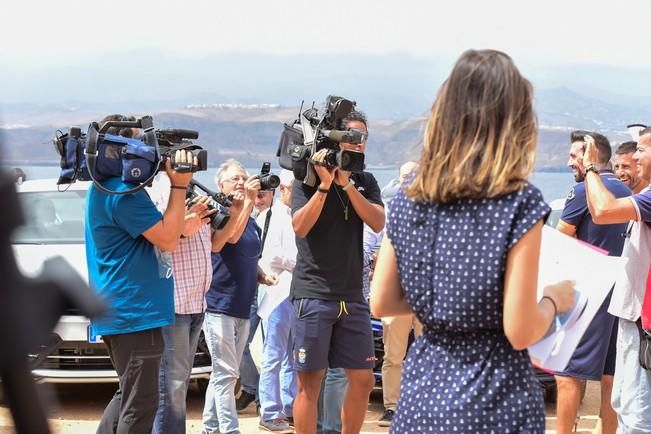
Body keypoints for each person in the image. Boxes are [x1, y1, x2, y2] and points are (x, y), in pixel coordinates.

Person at [370, 49, 575, 433]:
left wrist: (445, 303)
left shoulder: (409, 198)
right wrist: (553, 301)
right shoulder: (518, 202)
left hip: (424, 395)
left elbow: (382, 301)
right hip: (495, 397)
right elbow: (520, 329)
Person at [86, 116, 198, 434]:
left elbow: (164, 234)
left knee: (129, 395)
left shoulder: (107, 188)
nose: (147, 151)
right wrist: (178, 185)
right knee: (143, 403)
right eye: (140, 142)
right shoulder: (123, 192)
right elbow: (166, 238)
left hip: (126, 312)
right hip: (135, 313)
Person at [291, 109, 385, 434]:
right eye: (354, 137)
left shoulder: (366, 181)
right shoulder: (306, 177)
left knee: (362, 379)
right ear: (338, 138)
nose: (360, 144)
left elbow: (377, 221)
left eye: (364, 138)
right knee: (309, 384)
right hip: (313, 294)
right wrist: (324, 186)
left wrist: (346, 186)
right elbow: (300, 227)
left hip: (352, 296)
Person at [555, 131, 630, 434]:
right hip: (622, 290)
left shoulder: (583, 190)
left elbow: (560, 237)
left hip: (588, 290)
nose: (569, 162)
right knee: (612, 377)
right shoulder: (627, 190)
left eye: (575, 156)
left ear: (592, 157)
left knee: (568, 375)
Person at [150, 173, 235, 434]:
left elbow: (217, 243)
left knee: (180, 382)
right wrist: (185, 223)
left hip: (196, 302)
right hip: (174, 303)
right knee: (171, 386)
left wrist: (240, 209)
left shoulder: (198, 193)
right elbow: (163, 243)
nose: (192, 167)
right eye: (186, 160)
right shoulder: (160, 194)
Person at [202, 159, 278, 434]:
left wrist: (262, 275)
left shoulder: (251, 222)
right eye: (235, 178)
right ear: (220, 184)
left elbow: (248, 254)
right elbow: (225, 241)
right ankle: (230, 429)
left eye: (244, 177)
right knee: (226, 373)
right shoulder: (216, 212)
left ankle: (210, 427)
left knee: (222, 373)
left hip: (243, 304)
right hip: (218, 304)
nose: (241, 182)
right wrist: (246, 203)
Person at [582, 129, 651, 433]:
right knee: (624, 406)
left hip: (642, 325)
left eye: (642, 149)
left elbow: (602, 210)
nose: (635, 156)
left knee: (637, 418)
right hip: (632, 319)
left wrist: (591, 168)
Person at [377, 162, 422, 428]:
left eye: (414, 176)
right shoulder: (391, 212)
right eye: (405, 176)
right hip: (397, 293)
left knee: (433, 351)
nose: (409, 180)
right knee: (393, 355)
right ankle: (392, 407)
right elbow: (377, 248)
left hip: (426, 295)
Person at [257, 170, 297, 433]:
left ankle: (291, 407)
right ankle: (270, 411)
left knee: (294, 356)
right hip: (277, 294)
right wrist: (301, 264)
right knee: (273, 355)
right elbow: (270, 256)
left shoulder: (298, 213)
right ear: (283, 188)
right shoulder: (269, 216)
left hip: (299, 294)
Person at [236, 189, 275, 413]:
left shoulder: (279, 217)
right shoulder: (251, 218)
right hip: (250, 289)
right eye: (256, 195)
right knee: (240, 346)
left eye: (263, 195)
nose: (258, 200)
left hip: (268, 290)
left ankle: (257, 392)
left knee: (270, 349)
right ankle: (254, 389)